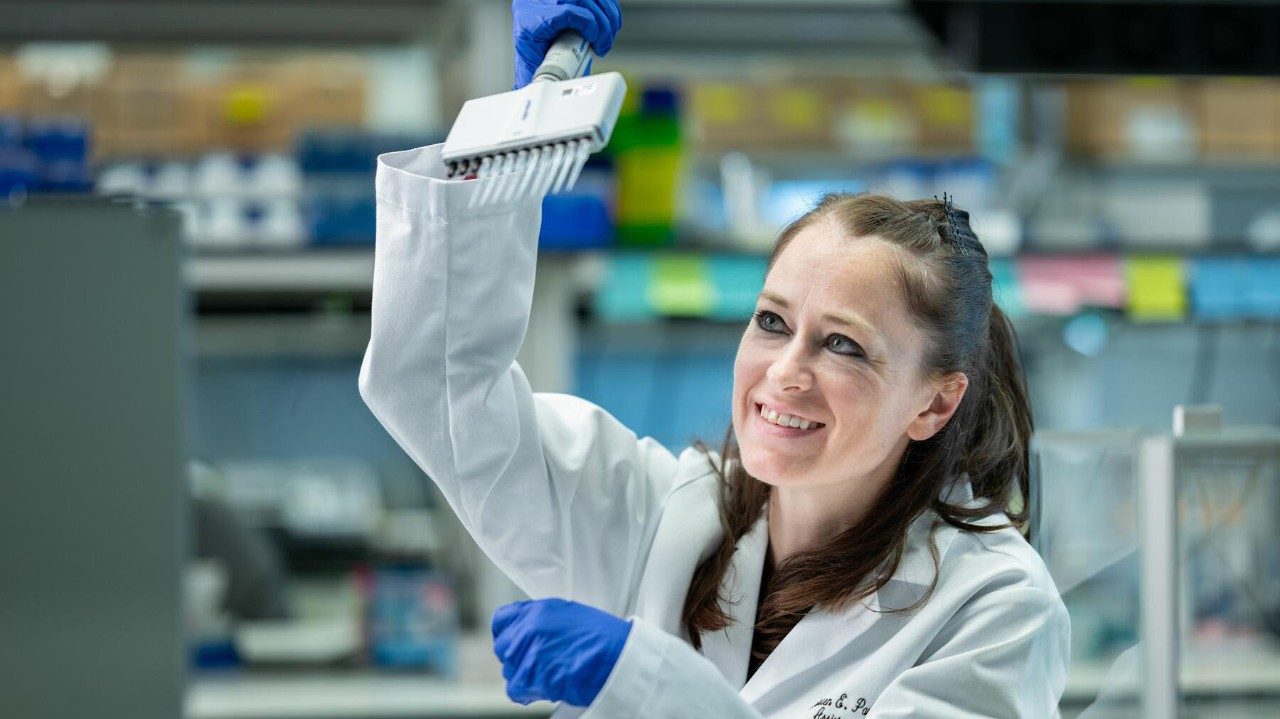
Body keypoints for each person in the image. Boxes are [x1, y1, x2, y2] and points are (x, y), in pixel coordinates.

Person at [360, 1, 1069, 716]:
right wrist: (511, 139)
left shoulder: (996, 605)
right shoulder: (661, 516)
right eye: (772, 321)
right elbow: (434, 385)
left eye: (843, 344)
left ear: (935, 401)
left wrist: (641, 678)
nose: (786, 371)